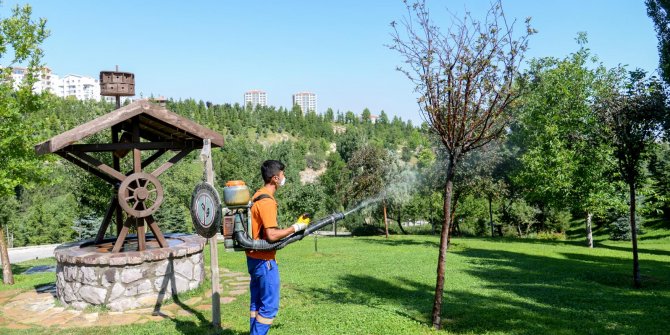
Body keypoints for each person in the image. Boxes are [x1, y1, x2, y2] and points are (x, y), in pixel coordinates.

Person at [246, 160, 310, 335]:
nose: (284, 178)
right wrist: (296, 227)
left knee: (257, 305)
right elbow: (271, 235)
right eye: (282, 175)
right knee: (269, 308)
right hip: (264, 262)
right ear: (274, 178)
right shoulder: (267, 201)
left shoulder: (257, 195)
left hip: (253, 260)